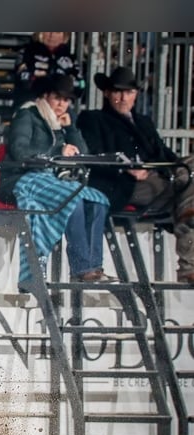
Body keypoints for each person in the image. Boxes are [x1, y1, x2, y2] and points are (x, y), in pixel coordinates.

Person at [77, 66, 194, 283]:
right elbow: (93, 153)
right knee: (189, 197)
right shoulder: (93, 119)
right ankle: (188, 265)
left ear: (136, 94)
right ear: (107, 93)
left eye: (128, 92)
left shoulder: (143, 122)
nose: (123, 98)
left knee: (191, 171)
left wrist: (167, 167)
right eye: (117, 92)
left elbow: (166, 154)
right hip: (124, 184)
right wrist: (126, 167)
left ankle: (188, 263)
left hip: (158, 181)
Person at [0, 74, 113, 290]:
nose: (62, 104)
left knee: (98, 199)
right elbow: (19, 151)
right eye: (57, 98)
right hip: (22, 178)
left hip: (51, 180)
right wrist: (57, 151)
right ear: (46, 96)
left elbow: (82, 154)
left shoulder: (61, 121)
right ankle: (82, 268)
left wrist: (70, 129)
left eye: (66, 100)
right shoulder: (28, 114)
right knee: (74, 199)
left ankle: (93, 266)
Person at [11, 32, 85, 112]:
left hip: (60, 108)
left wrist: (60, 83)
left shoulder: (70, 59)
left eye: (57, 32)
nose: (52, 35)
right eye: (48, 31)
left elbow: (80, 86)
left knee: (72, 118)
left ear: (64, 36)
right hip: (31, 104)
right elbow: (23, 79)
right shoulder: (27, 52)